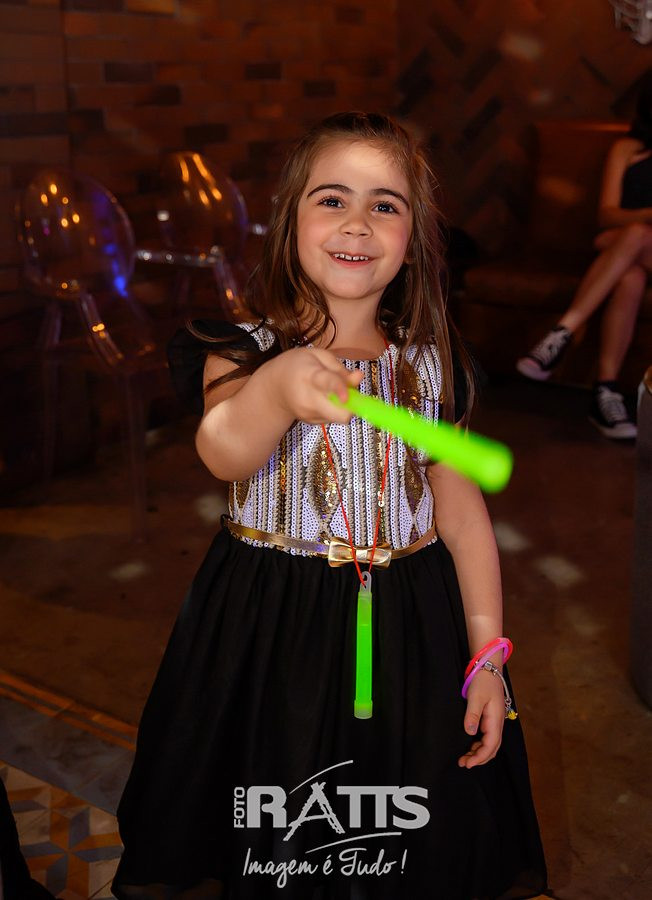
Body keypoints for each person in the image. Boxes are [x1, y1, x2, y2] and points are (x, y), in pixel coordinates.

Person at [113, 112, 547, 900]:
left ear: (414, 239)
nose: (357, 222)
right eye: (332, 199)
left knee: (400, 813)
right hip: (272, 626)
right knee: (285, 806)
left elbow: (460, 515)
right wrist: (278, 388)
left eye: (385, 205)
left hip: (411, 625)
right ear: (290, 221)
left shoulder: (429, 365)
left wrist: (488, 656)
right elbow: (223, 451)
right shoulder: (242, 349)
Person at [516, 86, 652, 440]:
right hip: (627, 249)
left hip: (623, 243)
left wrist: (632, 227)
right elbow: (607, 215)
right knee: (630, 276)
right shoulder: (627, 149)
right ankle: (605, 392)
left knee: (633, 236)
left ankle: (562, 333)